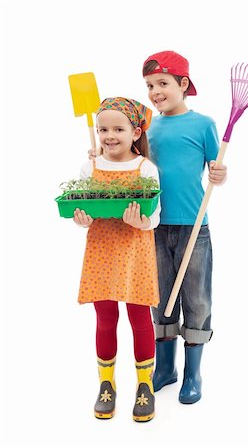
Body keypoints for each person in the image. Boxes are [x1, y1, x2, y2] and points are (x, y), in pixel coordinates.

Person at [142, 51, 227, 404]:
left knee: (197, 300)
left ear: (183, 84)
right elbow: (130, 159)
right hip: (154, 226)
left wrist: (220, 174)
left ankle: (193, 374)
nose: (155, 91)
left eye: (162, 83)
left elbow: (215, 169)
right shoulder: (146, 124)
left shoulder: (203, 123)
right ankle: (166, 369)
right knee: (160, 298)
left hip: (194, 226)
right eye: (149, 85)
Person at [74, 97, 161, 421]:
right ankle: (106, 384)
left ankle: (144, 385)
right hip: (101, 250)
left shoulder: (145, 168)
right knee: (105, 318)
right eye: (102, 129)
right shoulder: (90, 166)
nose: (109, 135)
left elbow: (155, 216)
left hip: (135, 251)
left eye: (118, 129)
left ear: (136, 131)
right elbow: (83, 208)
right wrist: (81, 218)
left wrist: (143, 222)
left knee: (140, 320)